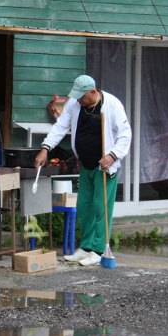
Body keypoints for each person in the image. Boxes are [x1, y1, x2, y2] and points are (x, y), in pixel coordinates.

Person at [34, 75, 131, 266]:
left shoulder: (112, 105)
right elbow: (60, 127)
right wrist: (45, 148)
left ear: (93, 92)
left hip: (105, 166)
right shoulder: (74, 104)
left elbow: (125, 135)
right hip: (85, 164)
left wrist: (112, 156)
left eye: (82, 96)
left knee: (100, 208)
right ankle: (86, 247)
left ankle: (98, 249)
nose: (78, 100)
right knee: (85, 207)